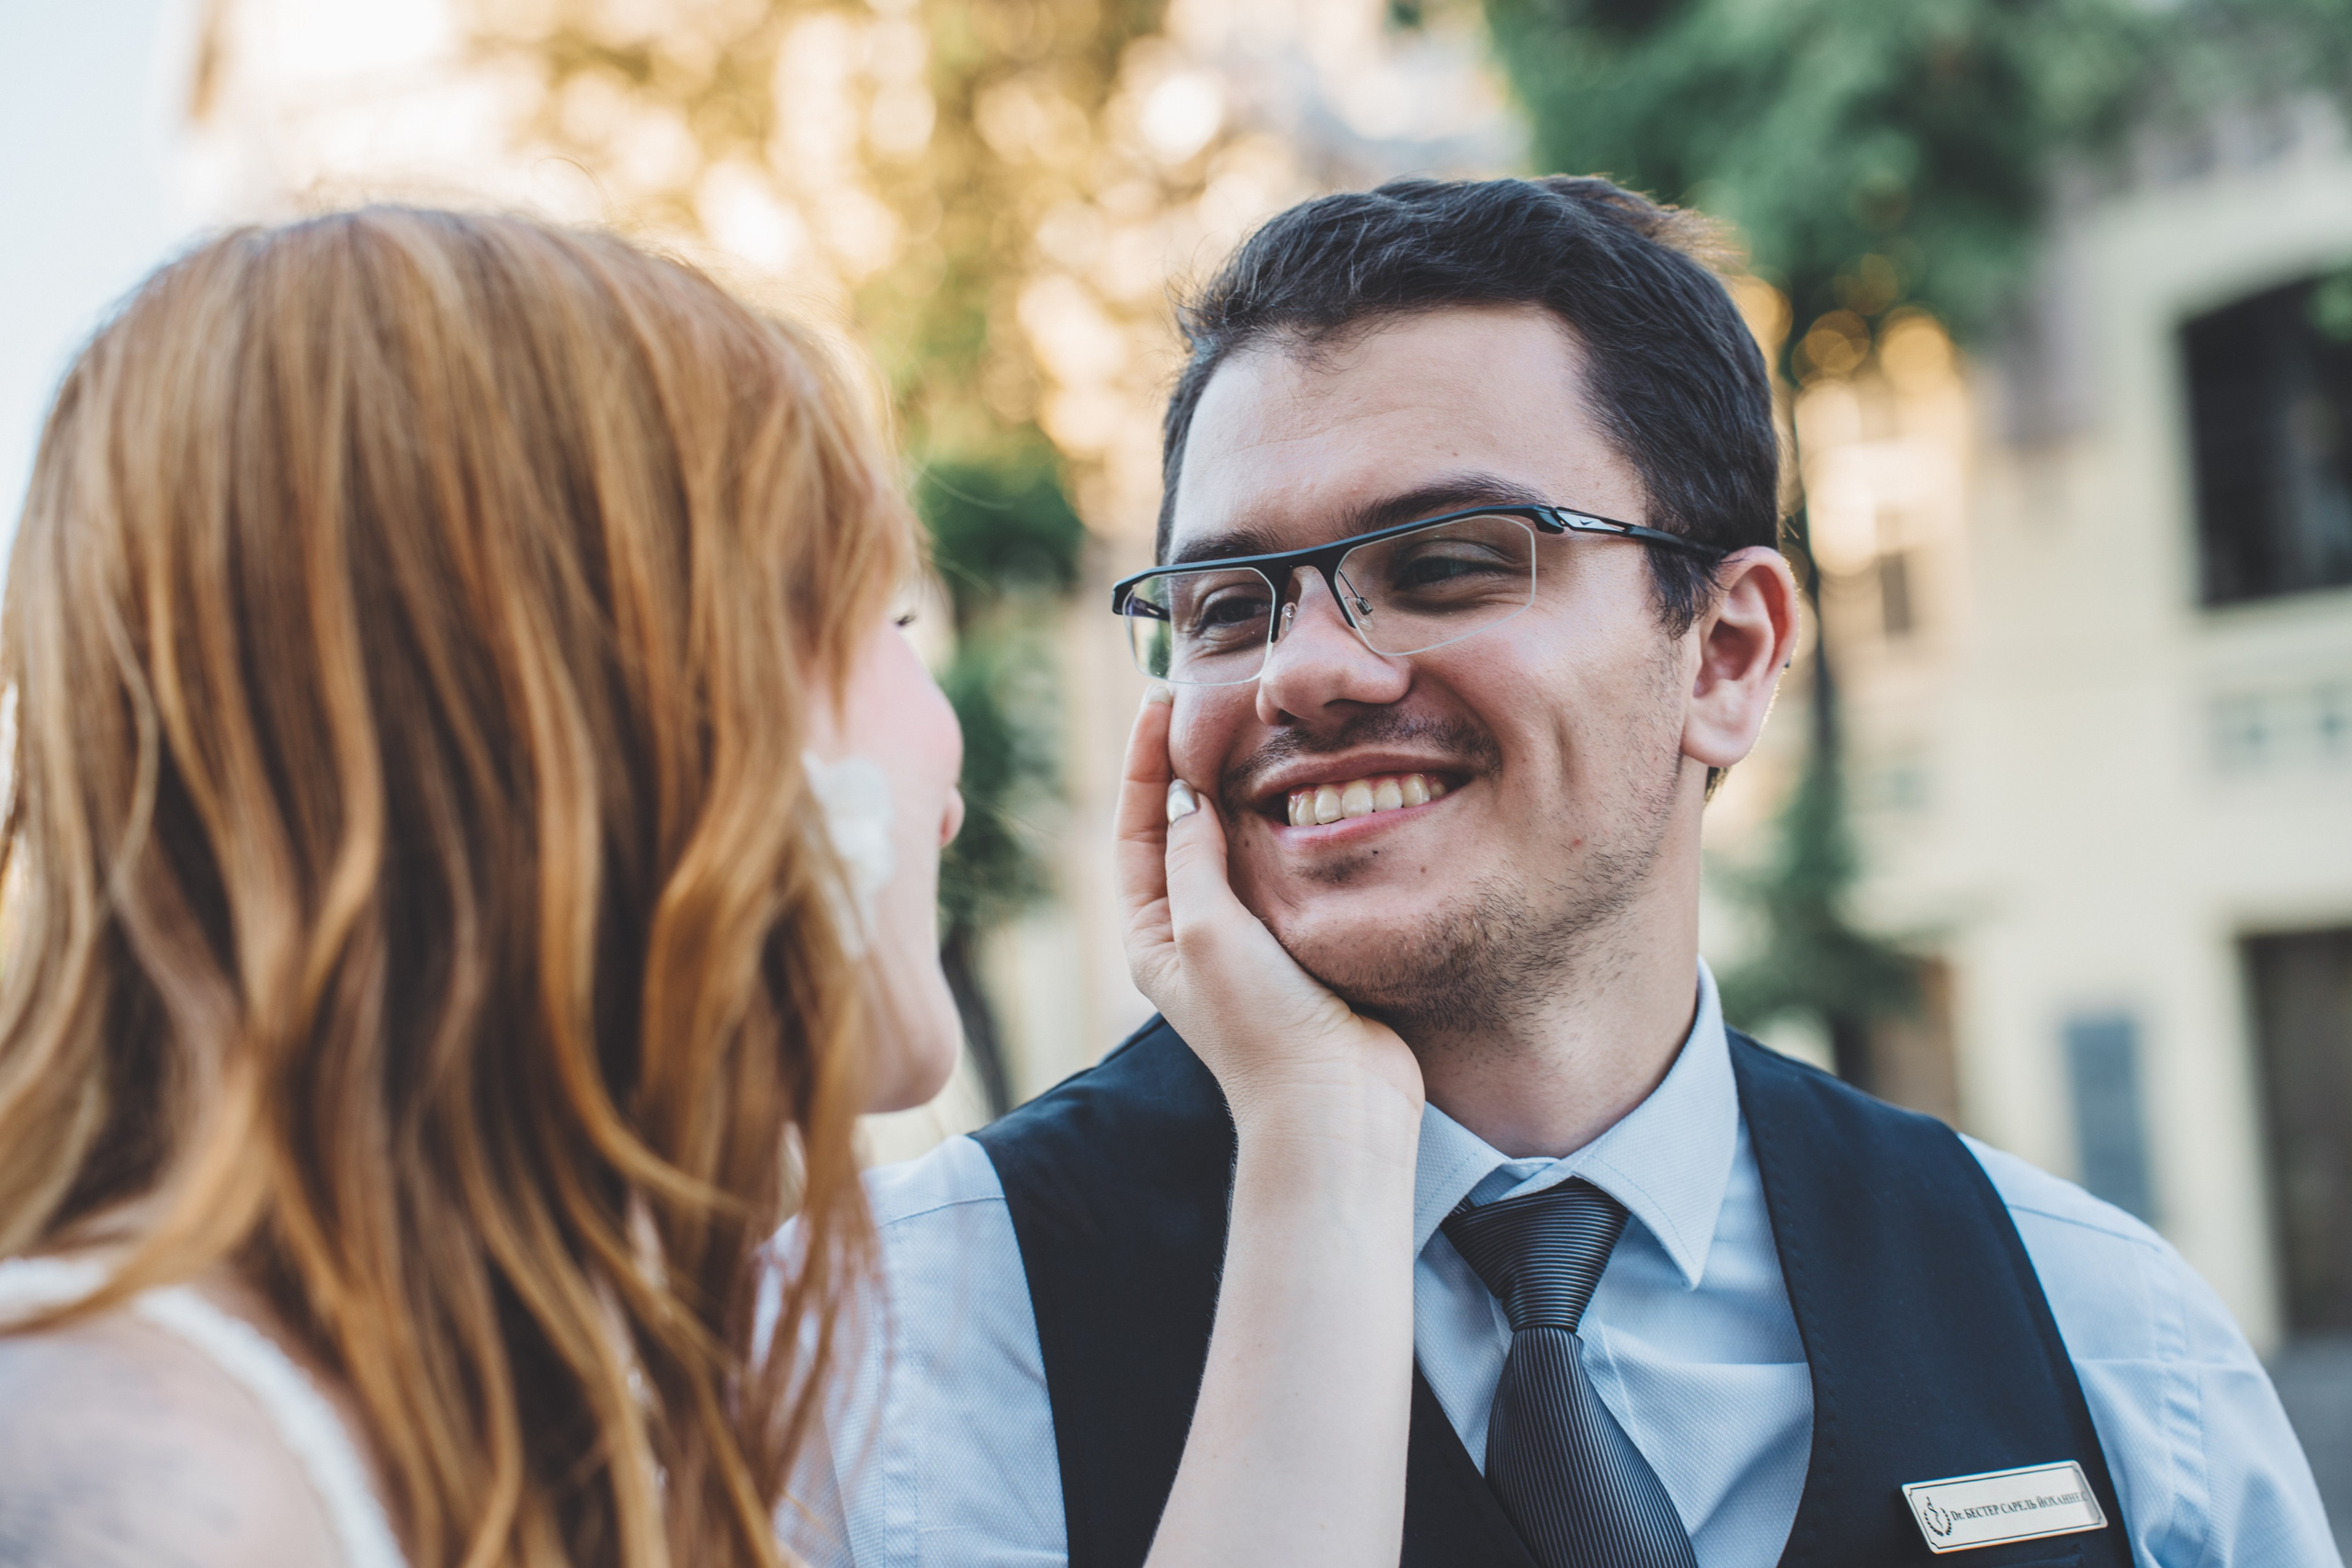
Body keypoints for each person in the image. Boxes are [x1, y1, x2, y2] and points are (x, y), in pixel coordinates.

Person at [784, 176, 2341, 1568]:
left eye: (1448, 561)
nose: (1305, 672)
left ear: (1726, 654)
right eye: (1226, 606)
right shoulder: (876, 1357)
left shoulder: (2105, 1332)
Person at [0, 208, 972, 1568]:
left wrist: (1310, 1147)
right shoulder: (137, 1478)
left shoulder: (538, 1414)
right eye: (890, 620)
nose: (949, 736)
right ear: (629, 705)